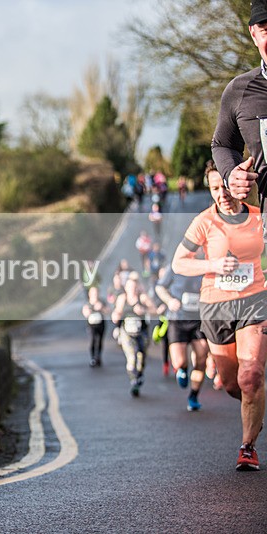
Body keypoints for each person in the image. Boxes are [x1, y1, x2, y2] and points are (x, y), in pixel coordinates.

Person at [172, 167, 267, 470]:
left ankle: (247, 447)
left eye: (225, 187)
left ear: (238, 186)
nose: (222, 195)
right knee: (231, 384)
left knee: (250, 376)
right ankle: (256, 408)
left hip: (254, 302)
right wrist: (212, 264)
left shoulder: (258, 217)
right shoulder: (203, 222)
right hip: (216, 308)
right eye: (215, 189)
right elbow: (179, 263)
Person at [211, 1, 267, 236]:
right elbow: (223, 145)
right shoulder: (240, 91)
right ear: (253, 34)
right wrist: (230, 174)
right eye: (266, 30)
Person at [154, 266, 210, 411]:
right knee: (179, 361)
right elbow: (159, 287)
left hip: (198, 319)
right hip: (177, 318)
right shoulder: (174, 268)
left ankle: (193, 396)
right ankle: (182, 369)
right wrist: (169, 301)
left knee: (202, 356)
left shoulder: (205, 266)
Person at [111, 272, 160, 397]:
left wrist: (143, 310)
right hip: (127, 332)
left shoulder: (142, 298)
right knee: (131, 356)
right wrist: (116, 317)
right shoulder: (122, 298)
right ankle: (134, 380)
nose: (132, 290)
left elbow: (155, 310)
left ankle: (139, 375)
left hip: (141, 332)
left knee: (141, 357)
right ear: (126, 288)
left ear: (137, 287)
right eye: (129, 287)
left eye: (134, 287)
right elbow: (116, 314)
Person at [82, 285, 109, 367]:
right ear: (90, 294)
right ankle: (93, 358)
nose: (95, 294)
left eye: (96, 293)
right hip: (92, 325)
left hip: (101, 324)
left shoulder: (101, 302)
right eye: (93, 293)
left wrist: (101, 308)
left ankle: (99, 357)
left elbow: (108, 311)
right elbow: (85, 313)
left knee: (100, 340)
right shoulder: (88, 304)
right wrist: (88, 311)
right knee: (93, 340)